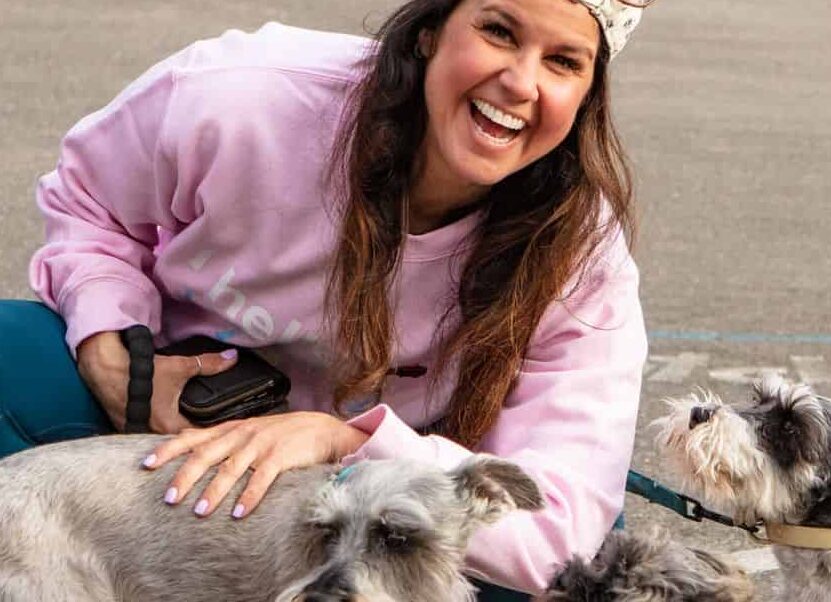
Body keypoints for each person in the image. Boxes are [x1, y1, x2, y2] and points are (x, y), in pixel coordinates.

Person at [0, 0, 652, 595]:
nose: (519, 82)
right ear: (429, 31)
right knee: (11, 351)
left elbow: (565, 518)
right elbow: (87, 200)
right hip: (172, 429)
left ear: (589, 93)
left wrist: (345, 442)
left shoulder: (580, 255)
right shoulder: (244, 95)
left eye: (564, 62)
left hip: (384, 504)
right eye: (498, 30)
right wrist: (116, 355)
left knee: (566, 564)